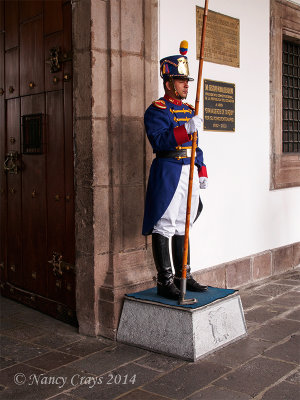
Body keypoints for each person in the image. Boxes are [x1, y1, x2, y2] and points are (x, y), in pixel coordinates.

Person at [142, 41, 208, 300]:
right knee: (165, 224)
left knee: (184, 224)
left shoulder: (189, 110)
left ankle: (184, 275)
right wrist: (185, 130)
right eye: (181, 81)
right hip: (168, 170)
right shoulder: (156, 110)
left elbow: (195, 145)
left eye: (187, 81)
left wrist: (201, 168)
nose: (186, 85)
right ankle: (165, 280)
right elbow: (159, 141)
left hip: (188, 170)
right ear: (168, 83)